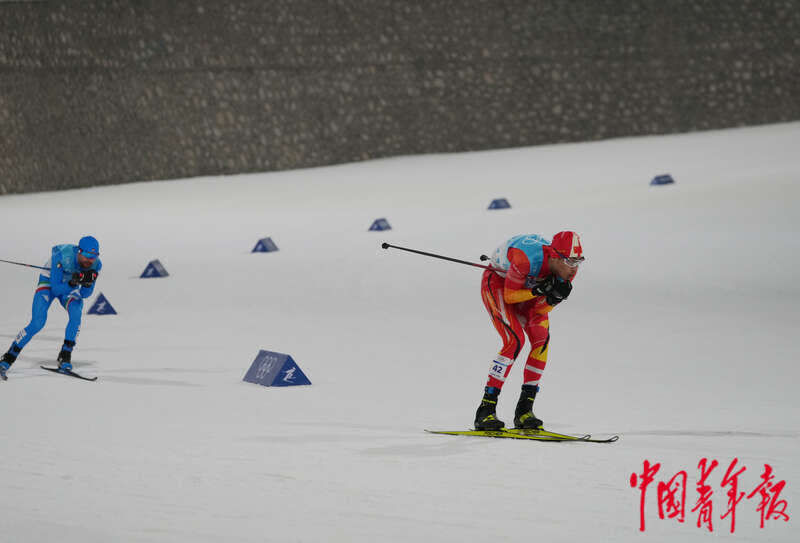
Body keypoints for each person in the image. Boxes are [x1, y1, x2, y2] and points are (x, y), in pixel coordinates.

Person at [474, 231, 584, 430]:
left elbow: (539, 310)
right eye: (570, 261)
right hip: (500, 284)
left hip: (527, 287)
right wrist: (538, 290)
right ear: (555, 256)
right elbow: (509, 297)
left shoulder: (568, 270)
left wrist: (553, 299)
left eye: (578, 261)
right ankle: (486, 409)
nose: (574, 268)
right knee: (514, 340)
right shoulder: (527, 259)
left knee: (541, 340)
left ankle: (525, 410)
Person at [0, 236, 102, 380]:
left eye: (93, 257)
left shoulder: (96, 265)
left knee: (76, 315)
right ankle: (7, 359)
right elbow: (55, 288)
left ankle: (65, 357)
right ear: (79, 252)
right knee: (38, 322)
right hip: (50, 281)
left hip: (68, 285)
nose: (89, 260)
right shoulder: (62, 256)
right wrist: (73, 283)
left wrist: (85, 284)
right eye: (86, 256)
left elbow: (86, 294)